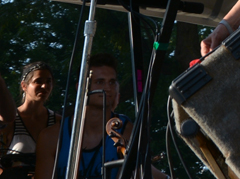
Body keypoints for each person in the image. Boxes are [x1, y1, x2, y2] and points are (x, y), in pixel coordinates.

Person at [34, 54, 166, 179]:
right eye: (100, 82)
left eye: (112, 82)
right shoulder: (51, 137)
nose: (108, 88)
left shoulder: (127, 131)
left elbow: (144, 171)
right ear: (81, 87)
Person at [0, 61, 61, 179]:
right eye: (38, 81)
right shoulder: (10, 121)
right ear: (24, 85)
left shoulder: (58, 122)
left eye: (48, 81)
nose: (44, 86)